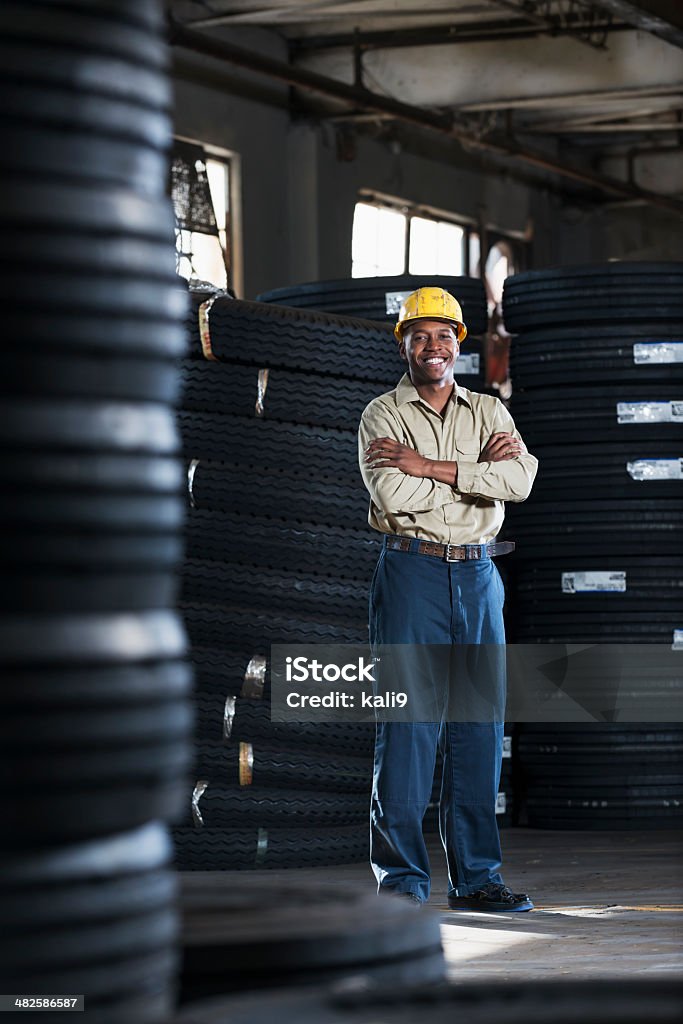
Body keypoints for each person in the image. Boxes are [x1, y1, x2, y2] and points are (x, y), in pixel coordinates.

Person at [358, 286, 538, 911]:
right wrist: (474, 483)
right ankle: (403, 886)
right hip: (413, 573)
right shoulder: (383, 415)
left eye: (443, 336)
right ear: (403, 344)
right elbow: (390, 496)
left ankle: (478, 880)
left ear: (459, 343)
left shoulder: (490, 410)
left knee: (478, 729)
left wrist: (429, 468)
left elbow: (519, 480)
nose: (432, 346)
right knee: (408, 727)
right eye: (419, 336)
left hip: (480, 576)